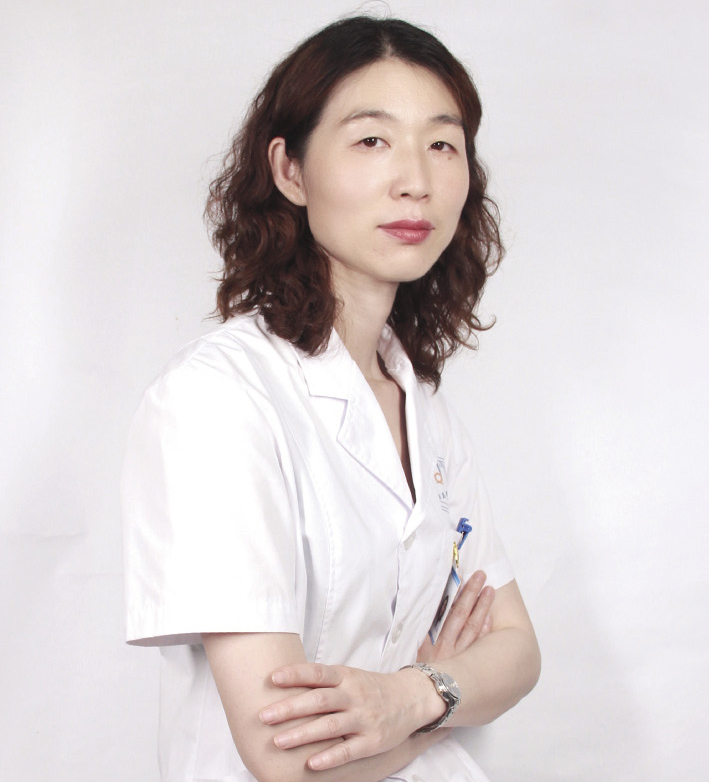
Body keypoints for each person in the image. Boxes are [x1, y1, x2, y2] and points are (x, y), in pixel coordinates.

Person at [122, 15, 541, 782]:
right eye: (371, 139)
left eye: (442, 144)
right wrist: (443, 705)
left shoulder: (420, 404)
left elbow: (517, 652)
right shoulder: (217, 400)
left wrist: (410, 696)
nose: (415, 179)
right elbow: (288, 757)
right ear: (289, 170)